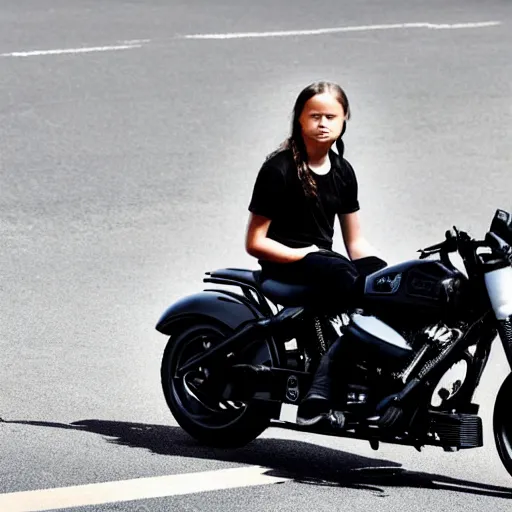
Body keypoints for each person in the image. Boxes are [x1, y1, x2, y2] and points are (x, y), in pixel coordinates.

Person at [244, 81, 388, 425]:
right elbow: (255, 242)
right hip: (284, 264)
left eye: (330, 116)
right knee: (340, 274)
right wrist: (304, 253)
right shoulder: (278, 170)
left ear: (344, 120)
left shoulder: (343, 171)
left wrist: (384, 274)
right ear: (300, 120)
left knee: (384, 283)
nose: (322, 123)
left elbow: (355, 243)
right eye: (314, 116)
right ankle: (322, 389)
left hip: (323, 263)